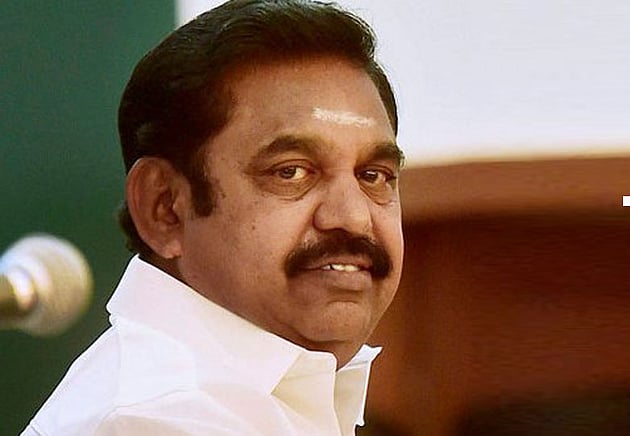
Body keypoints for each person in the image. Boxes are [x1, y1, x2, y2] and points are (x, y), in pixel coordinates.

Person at [22, 0, 404, 434]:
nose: (354, 217)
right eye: (291, 172)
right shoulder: (159, 420)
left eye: (374, 176)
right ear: (165, 209)